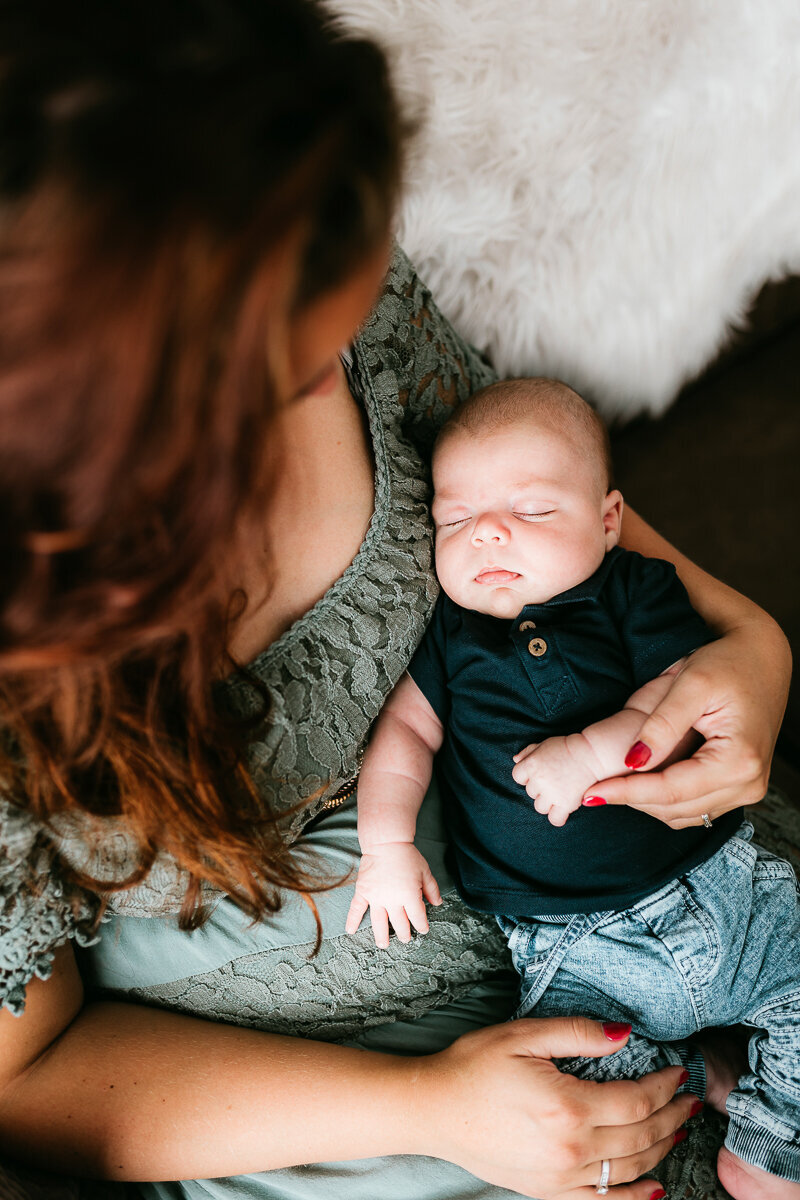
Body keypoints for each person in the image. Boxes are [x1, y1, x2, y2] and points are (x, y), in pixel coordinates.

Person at [0, 3, 793, 1200]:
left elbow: (570, 513)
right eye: (275, 370)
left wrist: (755, 652)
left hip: (716, 927)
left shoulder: (320, 261)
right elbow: (27, 1084)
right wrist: (436, 1110)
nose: (343, 348)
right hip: (392, 1137)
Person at [346, 377, 800, 1200]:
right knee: (586, 1098)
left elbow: (682, 698)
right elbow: (405, 738)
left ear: (608, 520)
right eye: (456, 519)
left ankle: (774, 1142)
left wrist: (590, 753)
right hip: (573, 948)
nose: (487, 531)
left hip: (719, 889)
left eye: (533, 510)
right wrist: (385, 843)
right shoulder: (451, 639)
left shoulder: (633, 589)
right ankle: (700, 1073)